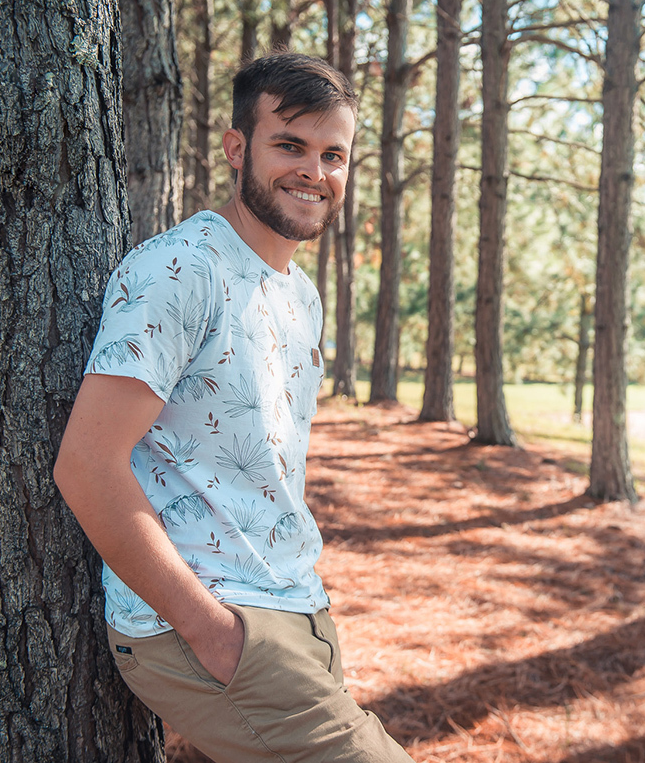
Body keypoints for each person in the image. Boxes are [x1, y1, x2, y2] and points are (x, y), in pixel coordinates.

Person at [54, 53, 414, 762]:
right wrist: (210, 631)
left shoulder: (300, 293)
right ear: (236, 146)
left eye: (333, 154)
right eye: (290, 145)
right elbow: (86, 464)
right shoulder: (180, 269)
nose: (315, 171)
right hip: (210, 620)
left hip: (296, 609)